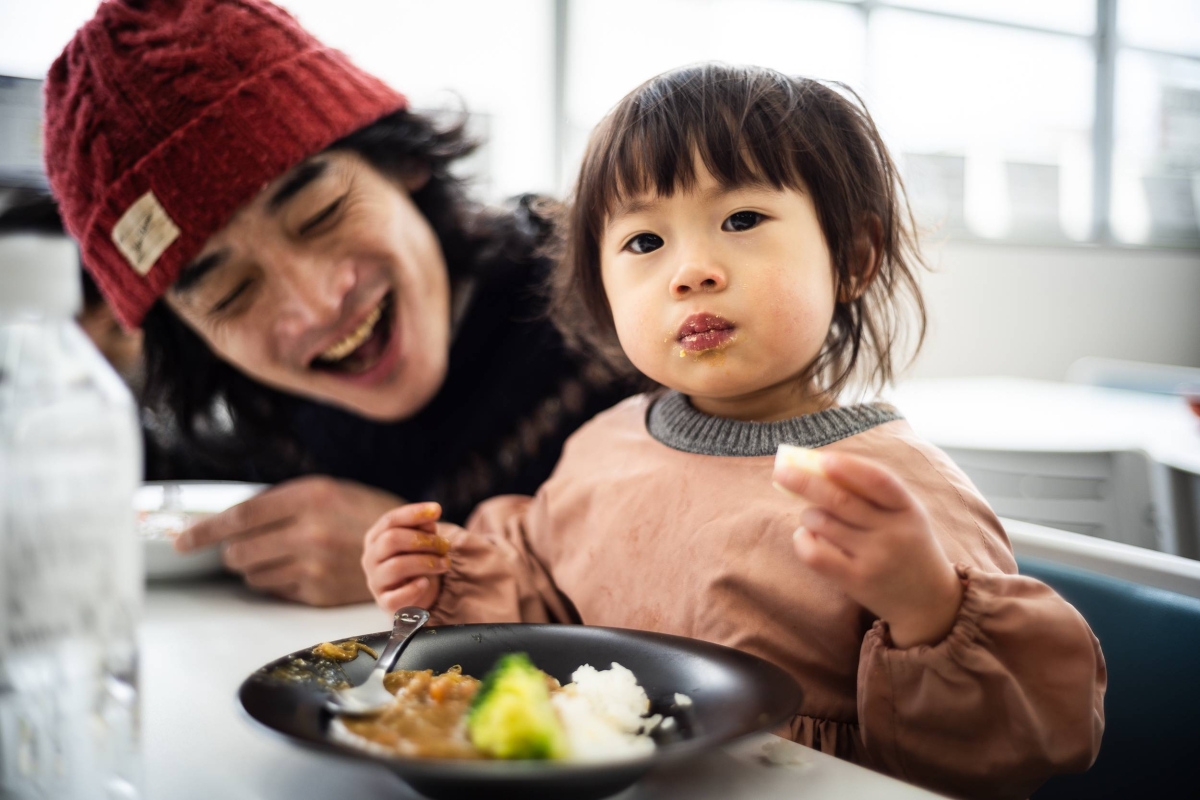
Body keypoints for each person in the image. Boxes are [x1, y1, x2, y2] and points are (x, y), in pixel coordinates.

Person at [360, 64, 1106, 799]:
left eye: (741, 220)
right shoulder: (603, 443)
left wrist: (927, 607)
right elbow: (548, 619)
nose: (691, 271)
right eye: (644, 243)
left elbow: (1007, 748)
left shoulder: (897, 492)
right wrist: (444, 576)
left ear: (853, 258)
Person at [41, 0, 634, 606]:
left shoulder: (618, 310)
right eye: (231, 292)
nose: (317, 305)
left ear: (403, 163)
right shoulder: (250, 436)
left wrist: (432, 562)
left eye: (320, 216)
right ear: (191, 337)